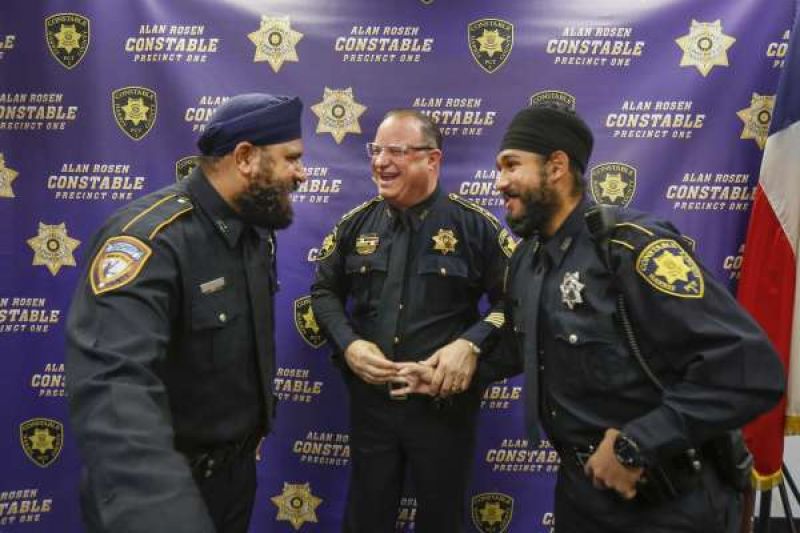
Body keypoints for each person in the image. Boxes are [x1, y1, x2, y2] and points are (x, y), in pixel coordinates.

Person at [397, 105, 785, 533]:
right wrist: (456, 369)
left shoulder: (631, 248)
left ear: (557, 167)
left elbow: (749, 369)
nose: (499, 182)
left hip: (669, 500)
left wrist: (636, 445)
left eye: (512, 166)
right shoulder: (528, 258)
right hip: (582, 494)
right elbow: (524, 342)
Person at [65, 93, 306, 533]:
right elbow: (114, 385)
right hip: (156, 495)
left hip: (233, 482)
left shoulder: (255, 233)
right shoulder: (150, 240)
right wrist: (166, 513)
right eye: (291, 158)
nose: (300, 174)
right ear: (246, 157)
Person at [310, 109, 513, 532]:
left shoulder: (475, 227)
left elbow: (517, 303)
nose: (381, 162)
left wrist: (470, 344)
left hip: (443, 407)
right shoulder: (354, 226)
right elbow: (324, 293)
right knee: (365, 518)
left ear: (432, 160)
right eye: (377, 149)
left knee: (442, 521)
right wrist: (349, 343)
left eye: (397, 151)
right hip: (372, 406)